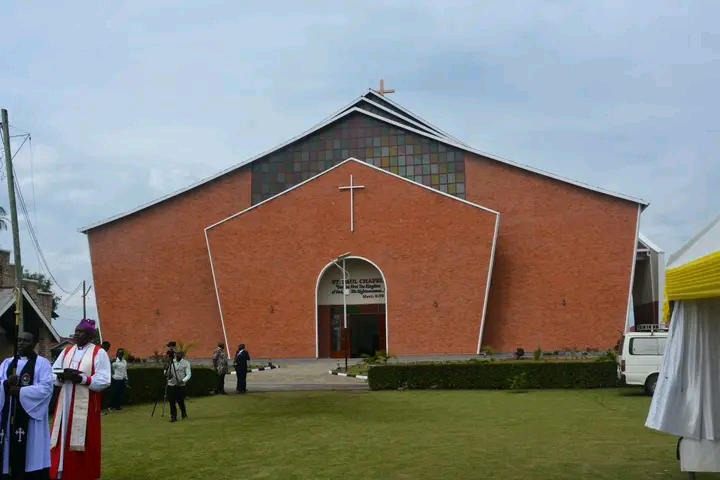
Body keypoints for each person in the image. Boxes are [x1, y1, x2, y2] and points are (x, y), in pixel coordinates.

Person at [49, 319, 111, 480]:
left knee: (83, 438)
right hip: (65, 401)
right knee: (61, 436)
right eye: (76, 331)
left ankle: (81, 474)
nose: (76, 334)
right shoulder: (67, 350)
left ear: (90, 336)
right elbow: (53, 372)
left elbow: (104, 379)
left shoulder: (99, 353)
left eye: (80, 331)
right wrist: (61, 377)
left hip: (86, 404)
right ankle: (60, 472)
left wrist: (82, 379)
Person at [0, 332, 53, 479]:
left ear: (35, 344)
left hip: (30, 418)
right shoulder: (7, 363)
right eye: (19, 340)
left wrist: (21, 391)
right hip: (8, 415)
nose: (21, 343)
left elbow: (46, 389)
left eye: (26, 340)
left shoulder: (42, 363)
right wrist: (6, 384)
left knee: (30, 452)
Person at [166, 350, 191, 423]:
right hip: (171, 384)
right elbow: (166, 371)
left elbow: (188, 374)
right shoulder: (171, 362)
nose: (177, 355)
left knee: (180, 401)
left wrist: (183, 380)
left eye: (179, 354)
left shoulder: (186, 363)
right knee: (171, 401)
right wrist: (167, 374)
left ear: (182, 355)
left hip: (180, 385)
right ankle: (173, 416)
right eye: (177, 354)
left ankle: (183, 412)